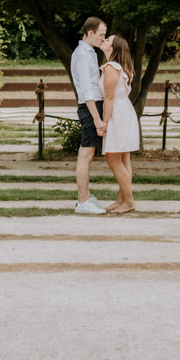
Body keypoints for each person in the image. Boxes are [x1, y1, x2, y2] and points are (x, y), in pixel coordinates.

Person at [70, 16, 108, 214]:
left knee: (88, 153)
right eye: (101, 35)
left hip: (94, 105)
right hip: (89, 107)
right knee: (86, 153)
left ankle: (86, 197)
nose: (104, 38)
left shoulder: (90, 52)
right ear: (90, 32)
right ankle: (83, 202)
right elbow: (86, 91)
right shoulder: (82, 56)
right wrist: (97, 119)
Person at [100, 33, 139, 213]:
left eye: (108, 40)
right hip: (125, 112)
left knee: (113, 158)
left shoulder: (111, 67)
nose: (104, 40)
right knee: (124, 159)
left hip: (117, 114)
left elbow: (109, 97)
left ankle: (129, 201)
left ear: (113, 48)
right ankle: (122, 199)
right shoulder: (120, 67)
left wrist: (104, 122)